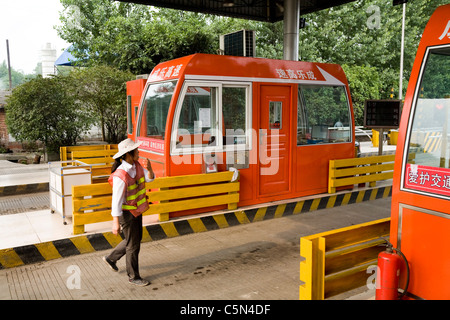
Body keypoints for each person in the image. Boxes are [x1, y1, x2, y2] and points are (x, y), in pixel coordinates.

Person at [102, 138, 155, 287]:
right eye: (136, 150)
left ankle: (111, 258)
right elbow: (116, 201)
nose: (139, 152)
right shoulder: (121, 175)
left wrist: (150, 169)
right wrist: (115, 222)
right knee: (133, 244)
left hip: (137, 211)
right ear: (128, 154)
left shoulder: (136, 165)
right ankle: (133, 276)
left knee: (133, 240)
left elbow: (149, 179)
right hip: (127, 214)